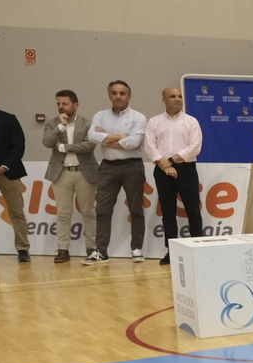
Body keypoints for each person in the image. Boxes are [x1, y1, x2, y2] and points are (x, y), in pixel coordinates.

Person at [88, 80, 149, 263]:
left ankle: (137, 249)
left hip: (132, 166)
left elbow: (134, 142)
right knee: (103, 210)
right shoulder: (100, 115)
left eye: (122, 93)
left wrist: (105, 138)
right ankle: (101, 251)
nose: (118, 96)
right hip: (107, 167)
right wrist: (121, 136)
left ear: (128, 96)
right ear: (109, 95)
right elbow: (91, 136)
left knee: (136, 209)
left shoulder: (138, 117)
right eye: (114, 93)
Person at [144, 87, 205, 263]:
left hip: (186, 169)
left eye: (179, 96)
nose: (177, 99)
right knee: (168, 212)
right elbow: (149, 146)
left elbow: (195, 146)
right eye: (173, 96)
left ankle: (198, 248)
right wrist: (163, 164)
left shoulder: (191, 121)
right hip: (162, 170)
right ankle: (171, 251)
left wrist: (170, 160)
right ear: (164, 99)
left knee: (193, 210)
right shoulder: (154, 122)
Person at [42, 90, 96, 264]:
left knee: (88, 212)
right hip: (61, 173)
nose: (61, 107)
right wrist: (60, 127)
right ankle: (63, 249)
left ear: (75, 105)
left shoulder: (87, 123)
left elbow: (90, 145)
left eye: (64, 103)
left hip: (84, 172)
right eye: (58, 104)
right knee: (63, 213)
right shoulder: (53, 124)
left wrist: (65, 147)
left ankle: (92, 248)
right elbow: (47, 142)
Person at [0, 85, 30, 262]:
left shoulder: (8, 119)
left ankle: (23, 249)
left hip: (8, 170)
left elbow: (18, 145)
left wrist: (4, 166)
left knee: (16, 212)